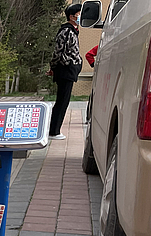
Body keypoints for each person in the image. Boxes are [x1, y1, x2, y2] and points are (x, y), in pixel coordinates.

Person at [47, 3, 82, 140]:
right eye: (79, 14)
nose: (81, 17)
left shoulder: (73, 31)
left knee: (64, 101)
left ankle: (55, 130)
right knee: (62, 101)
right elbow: (58, 51)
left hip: (69, 70)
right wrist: (53, 67)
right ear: (72, 16)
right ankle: (53, 131)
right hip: (65, 69)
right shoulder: (67, 31)